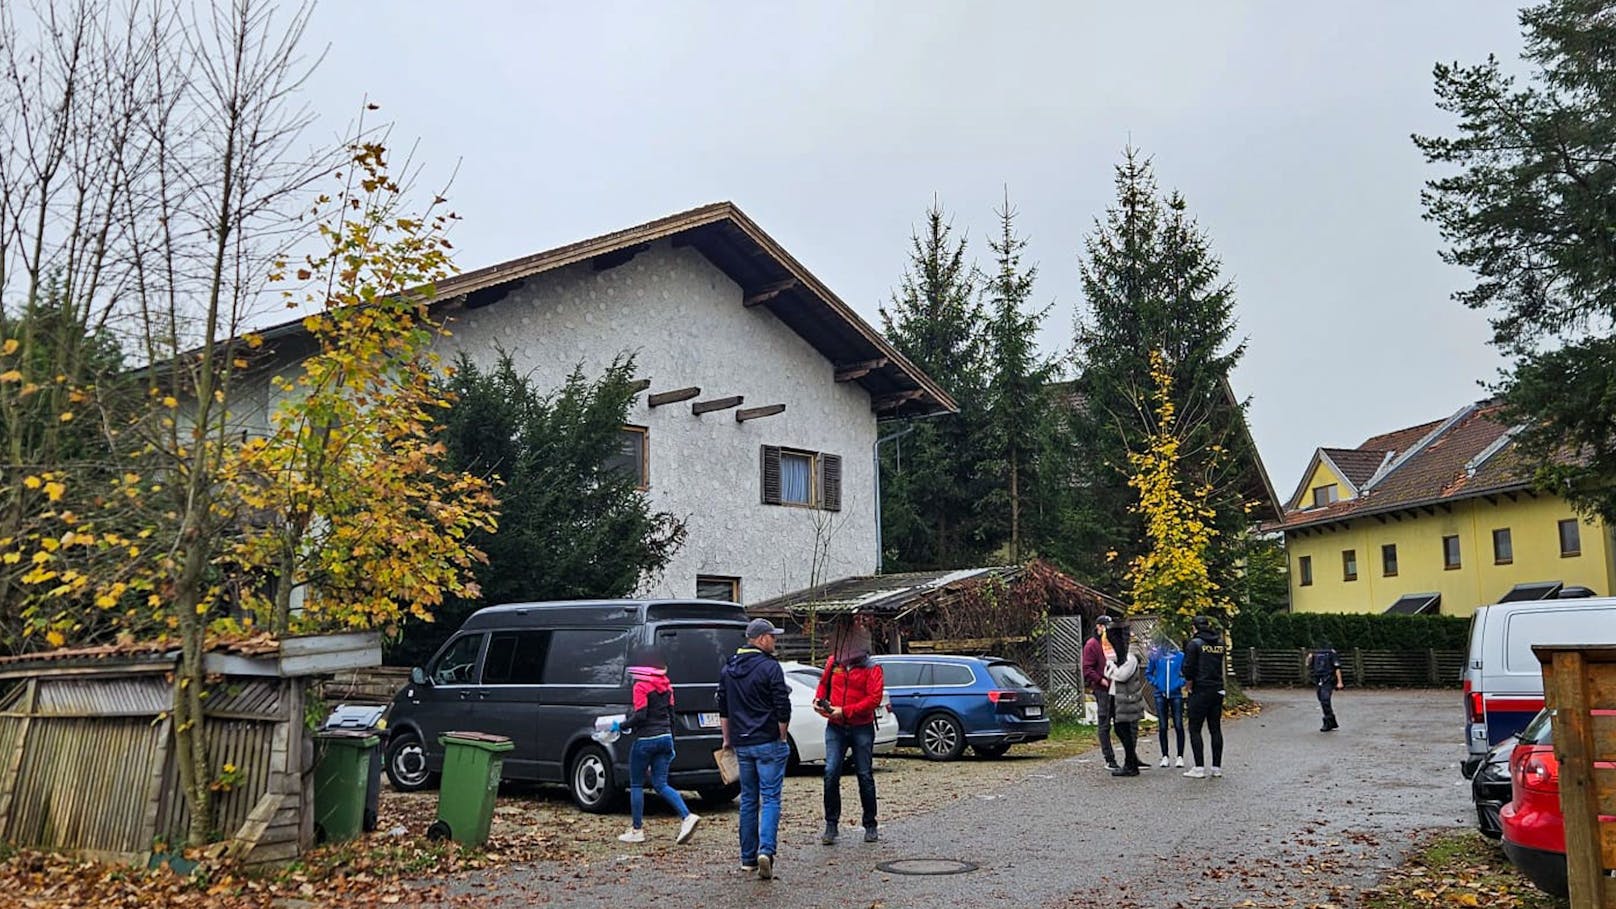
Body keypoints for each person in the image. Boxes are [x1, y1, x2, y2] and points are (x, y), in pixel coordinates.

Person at [717, 617, 793, 880]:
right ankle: (766, 850)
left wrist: (727, 739)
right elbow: (782, 704)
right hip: (768, 742)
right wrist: (781, 735)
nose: (775, 641)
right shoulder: (770, 668)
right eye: (772, 637)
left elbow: (724, 708)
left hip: (742, 743)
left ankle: (747, 858)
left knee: (748, 799)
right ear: (761, 639)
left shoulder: (728, 669)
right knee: (770, 798)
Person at [616, 646, 701, 845]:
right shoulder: (667, 685)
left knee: (636, 784)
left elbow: (640, 716)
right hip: (665, 738)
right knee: (661, 784)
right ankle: (687, 817)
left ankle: (637, 830)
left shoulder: (640, 686)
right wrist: (671, 741)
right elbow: (671, 717)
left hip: (646, 740)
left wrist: (620, 726)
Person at [815, 615, 885, 844]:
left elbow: (873, 699)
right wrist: (819, 701)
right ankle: (831, 824)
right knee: (830, 772)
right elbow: (823, 685)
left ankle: (870, 823)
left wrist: (845, 711)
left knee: (864, 774)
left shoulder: (871, 668)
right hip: (835, 727)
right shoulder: (833, 663)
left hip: (861, 726)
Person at [1181, 615, 1228, 779]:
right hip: (1217, 689)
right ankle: (1216, 767)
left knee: (1195, 728)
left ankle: (1199, 767)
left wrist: (1189, 681)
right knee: (1215, 728)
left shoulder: (1195, 644)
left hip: (1200, 689)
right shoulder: (1220, 643)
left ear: (1194, 627)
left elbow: (1188, 667)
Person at [1105, 622, 1147, 777]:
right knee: (1119, 729)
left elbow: (1120, 676)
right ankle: (1130, 761)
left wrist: (1111, 669)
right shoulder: (1120, 658)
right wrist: (1111, 669)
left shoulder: (1130, 658)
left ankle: (1131, 763)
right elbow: (1108, 671)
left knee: (1124, 730)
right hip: (1116, 696)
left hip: (1126, 700)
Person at [1081, 614, 1118, 771]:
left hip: (1117, 687)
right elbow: (1087, 669)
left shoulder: (1112, 643)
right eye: (1105, 626)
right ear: (1099, 627)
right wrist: (1100, 680)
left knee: (1122, 722)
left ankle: (1131, 756)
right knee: (1104, 723)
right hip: (1102, 689)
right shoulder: (1092, 645)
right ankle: (1109, 758)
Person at [1145, 633, 1186, 768]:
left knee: (1179, 725)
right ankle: (1165, 756)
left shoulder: (1180, 656)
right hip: (1160, 694)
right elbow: (1148, 673)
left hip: (1176, 695)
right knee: (1162, 726)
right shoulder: (1156, 656)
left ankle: (1180, 756)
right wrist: (1156, 683)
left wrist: (1179, 683)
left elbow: (1186, 673)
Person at [1310, 639, 1344, 731]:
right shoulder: (1315, 654)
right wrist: (1309, 658)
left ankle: (1328, 721)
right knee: (1321, 699)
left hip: (1328, 679)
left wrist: (1339, 682)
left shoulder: (1331, 654)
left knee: (1325, 699)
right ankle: (1331, 721)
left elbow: (1337, 668)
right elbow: (1308, 665)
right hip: (1319, 679)